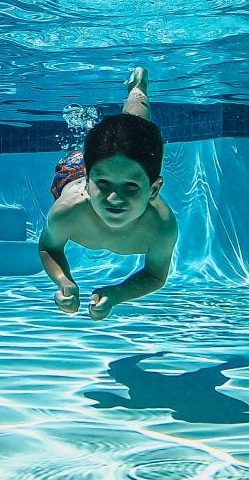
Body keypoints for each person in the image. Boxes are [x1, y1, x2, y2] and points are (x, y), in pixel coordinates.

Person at [39, 68, 179, 319]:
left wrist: (117, 294)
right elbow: (48, 247)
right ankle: (135, 94)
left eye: (131, 187)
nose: (115, 199)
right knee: (135, 138)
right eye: (102, 185)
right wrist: (63, 280)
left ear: (154, 190)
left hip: (104, 168)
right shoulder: (67, 211)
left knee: (140, 133)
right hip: (73, 172)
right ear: (88, 183)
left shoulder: (161, 226)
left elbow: (156, 274)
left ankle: (138, 90)